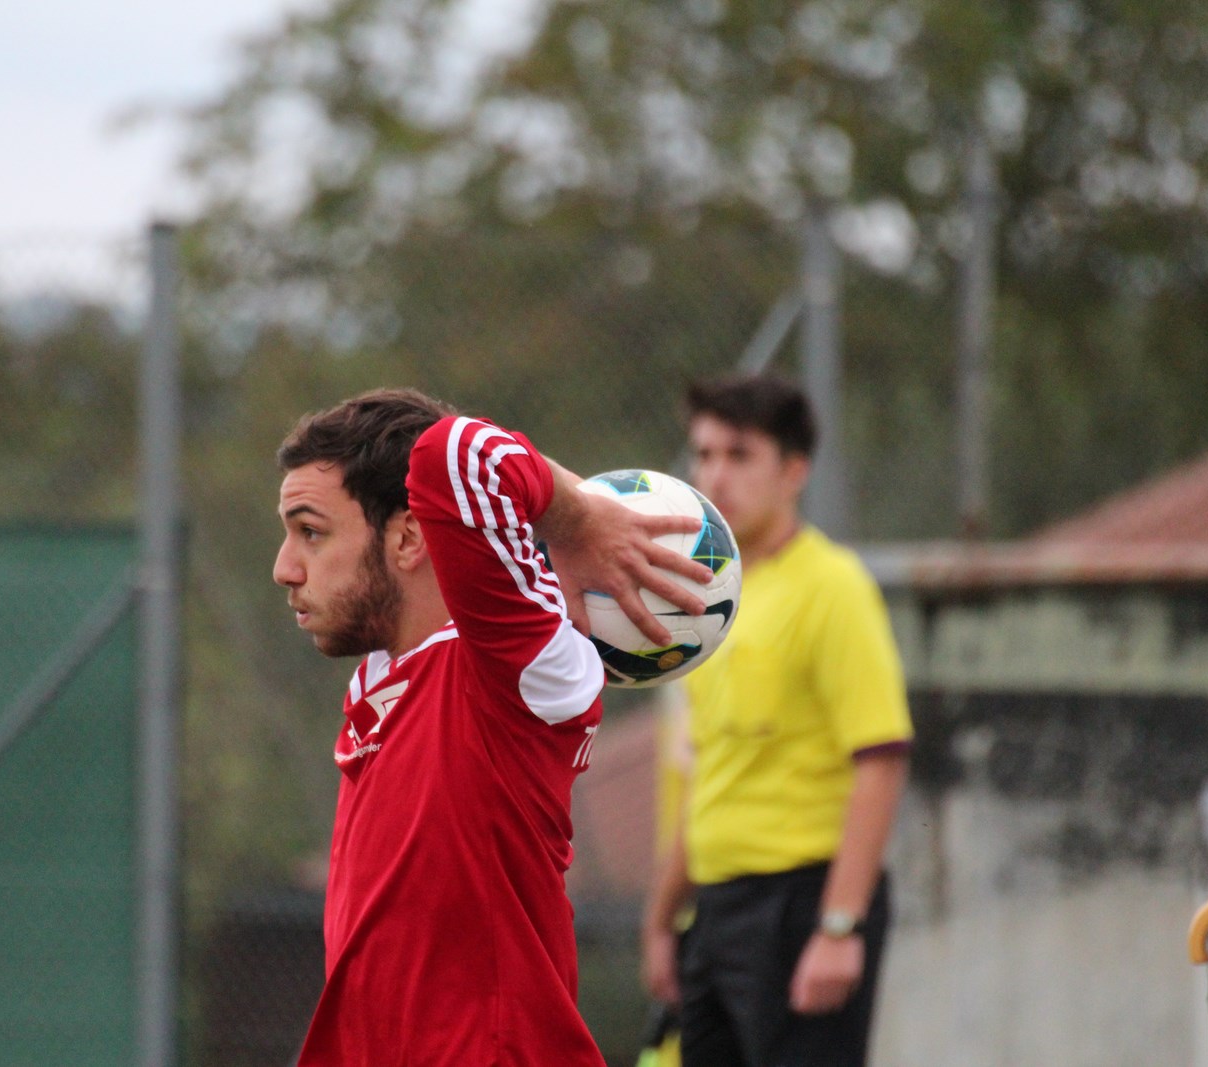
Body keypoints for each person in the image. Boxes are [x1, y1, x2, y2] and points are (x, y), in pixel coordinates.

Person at [273, 387, 716, 1066]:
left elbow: (456, 454)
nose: (285, 567)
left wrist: (577, 518)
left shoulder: (513, 671)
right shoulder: (382, 678)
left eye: (311, 530)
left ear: (409, 535)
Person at [640, 374, 913, 1067]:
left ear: (794, 470)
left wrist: (839, 926)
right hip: (716, 910)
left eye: (738, 455)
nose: (714, 475)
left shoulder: (833, 585)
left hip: (800, 905)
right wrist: (663, 918)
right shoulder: (706, 600)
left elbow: (880, 759)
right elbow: (709, 771)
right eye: (703, 455)